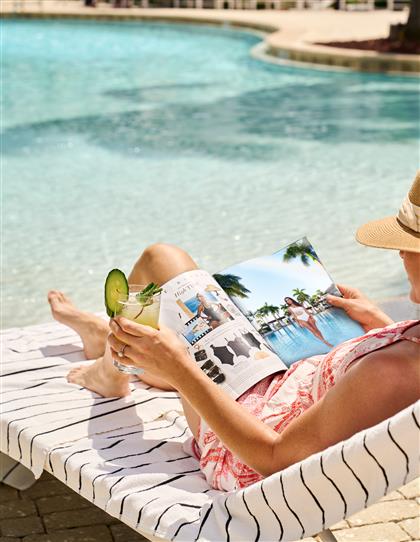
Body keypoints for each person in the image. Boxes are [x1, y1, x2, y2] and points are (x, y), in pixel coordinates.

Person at [48, 172, 420, 491]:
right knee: (165, 280)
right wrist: (382, 326)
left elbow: (273, 460)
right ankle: (106, 344)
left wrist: (182, 370)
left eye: (409, 247)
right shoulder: (405, 356)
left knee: (160, 259)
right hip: (273, 383)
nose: (400, 255)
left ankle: (108, 369)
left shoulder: (392, 372)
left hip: (241, 446)